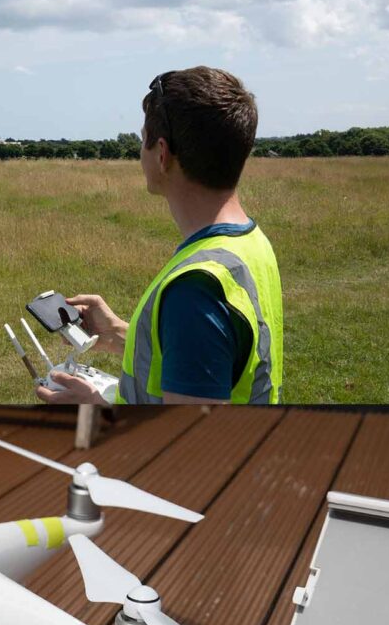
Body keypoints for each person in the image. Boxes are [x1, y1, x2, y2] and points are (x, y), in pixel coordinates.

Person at [35, 66, 283, 408]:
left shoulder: (196, 289)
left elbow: (190, 450)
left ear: (162, 154)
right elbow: (218, 360)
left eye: (143, 140)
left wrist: (96, 414)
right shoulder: (250, 242)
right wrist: (122, 336)